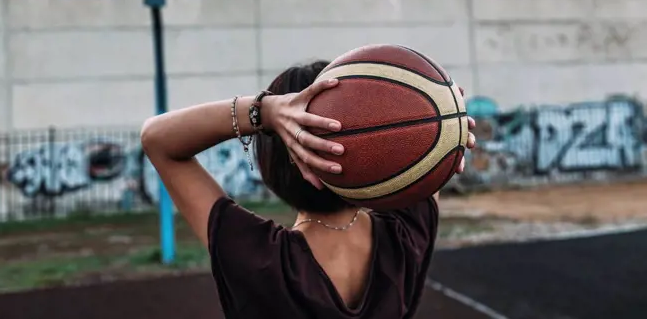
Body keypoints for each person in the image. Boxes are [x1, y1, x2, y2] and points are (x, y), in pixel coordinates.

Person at [141, 60, 477, 319]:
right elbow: (427, 141)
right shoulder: (406, 238)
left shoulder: (258, 259)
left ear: (275, 160)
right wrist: (448, 123)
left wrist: (264, 112)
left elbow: (157, 139)